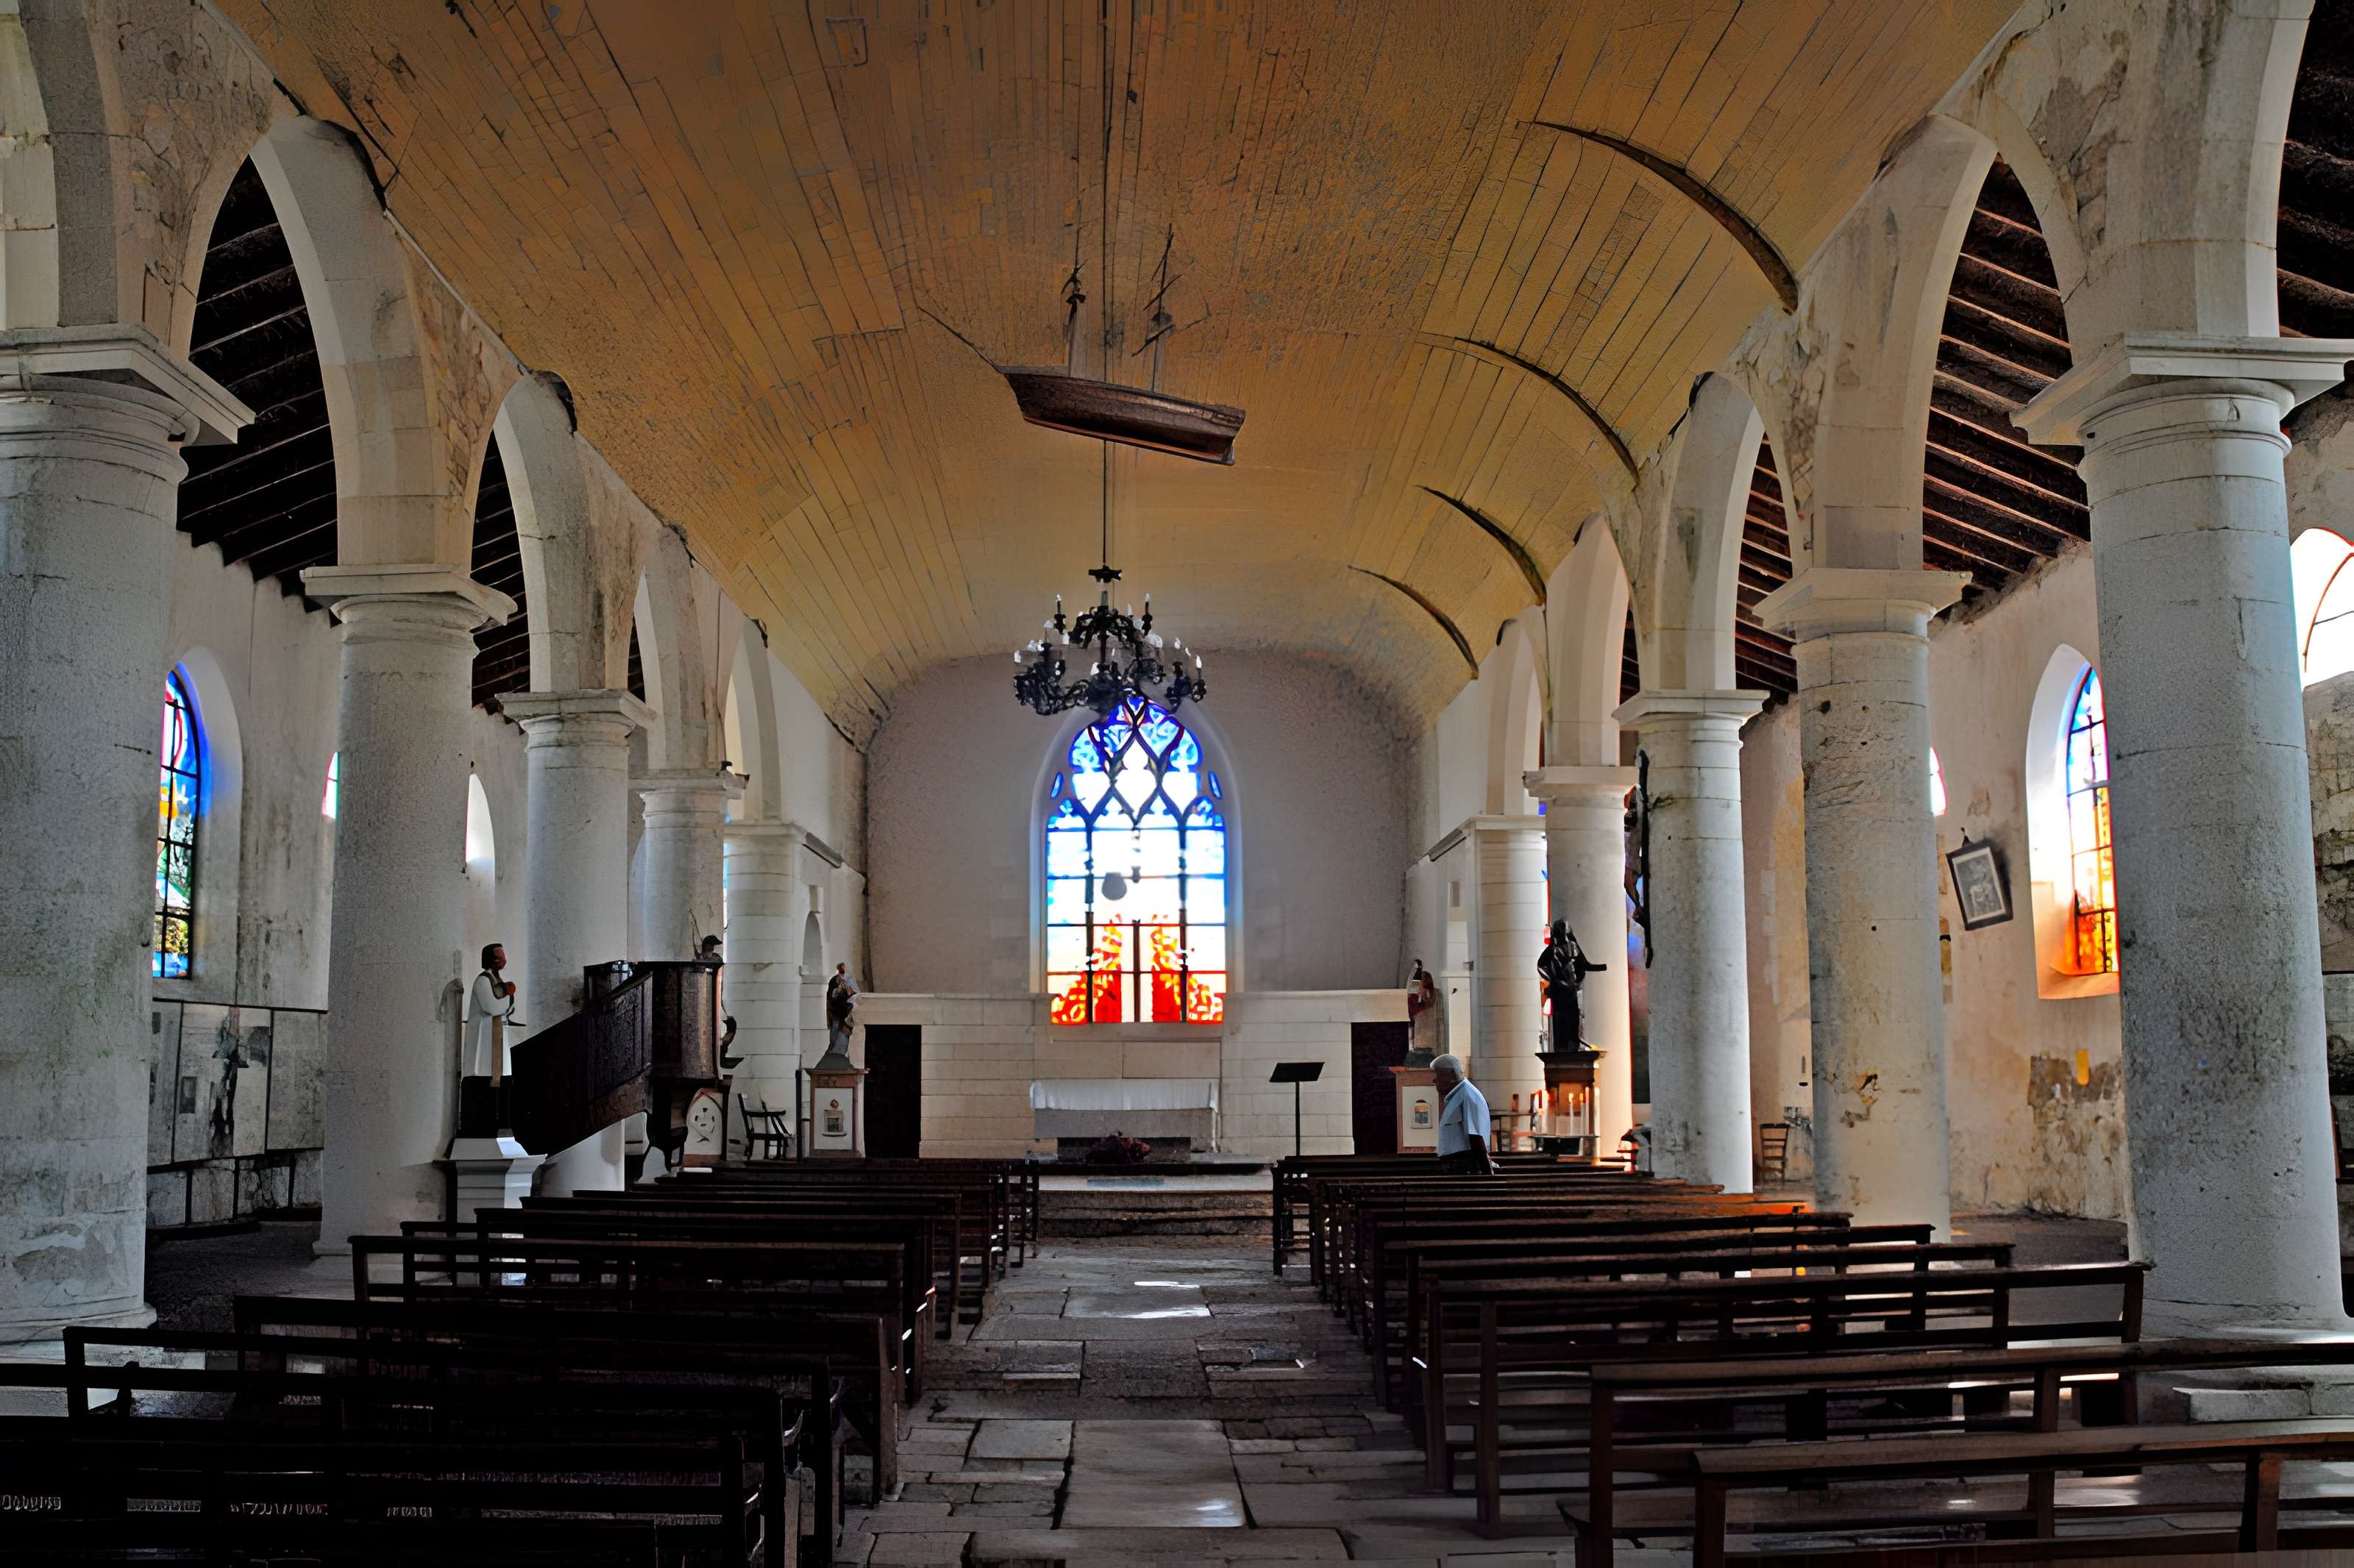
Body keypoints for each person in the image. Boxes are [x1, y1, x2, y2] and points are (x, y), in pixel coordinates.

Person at [1431, 1052, 1494, 1175]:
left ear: (1452, 1075)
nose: (1434, 1080)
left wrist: (1488, 1174)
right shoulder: (1457, 1096)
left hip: (1465, 1166)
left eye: (1438, 1075)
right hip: (1456, 1165)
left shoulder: (1467, 1096)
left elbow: (1476, 1136)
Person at [466, 942, 518, 1080]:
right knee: (485, 1074)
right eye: (500, 956)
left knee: (500, 1075)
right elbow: (492, 1008)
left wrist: (508, 995)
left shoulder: (497, 980)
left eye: (503, 956)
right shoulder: (483, 981)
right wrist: (508, 994)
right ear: (491, 959)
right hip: (485, 1036)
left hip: (497, 1033)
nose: (503, 959)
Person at [825, 962, 858, 1056]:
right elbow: (832, 997)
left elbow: (855, 995)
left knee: (843, 1032)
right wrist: (839, 990)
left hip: (846, 1012)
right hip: (836, 1012)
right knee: (835, 1030)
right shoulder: (834, 980)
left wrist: (848, 991)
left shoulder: (850, 980)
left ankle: (839, 1052)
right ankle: (833, 1050)